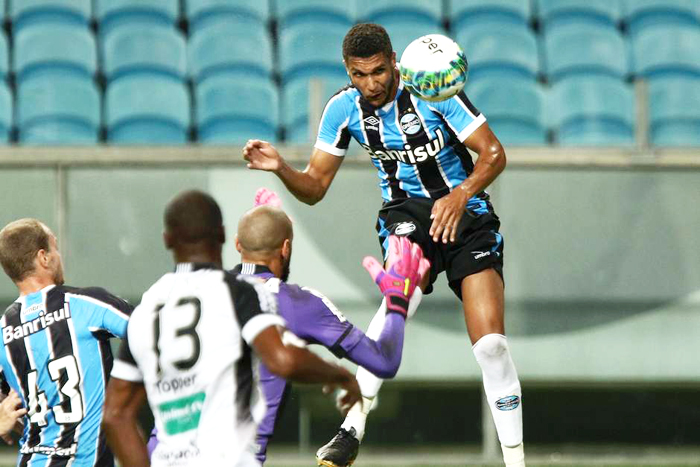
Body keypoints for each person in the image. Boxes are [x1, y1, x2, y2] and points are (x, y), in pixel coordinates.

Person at [243, 23, 525, 467]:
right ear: (348, 71)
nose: (371, 84)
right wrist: (281, 167)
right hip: (406, 215)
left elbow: (493, 154)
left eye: (378, 72)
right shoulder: (343, 110)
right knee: (400, 297)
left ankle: (516, 462)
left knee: (491, 345)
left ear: (394, 62)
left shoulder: (434, 89)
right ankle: (352, 426)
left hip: (465, 213)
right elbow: (315, 187)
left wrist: (460, 194)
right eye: (360, 74)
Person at [101, 190, 363, 467]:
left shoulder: (150, 307)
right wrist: (339, 376)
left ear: (167, 239)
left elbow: (115, 415)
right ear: (226, 237)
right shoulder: (240, 293)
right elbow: (283, 360)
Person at [233, 202, 429, 463]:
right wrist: (396, 303)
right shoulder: (299, 304)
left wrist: (267, 223)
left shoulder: (189, 291)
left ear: (238, 245)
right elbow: (384, 361)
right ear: (286, 248)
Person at [0, 218, 133, 466]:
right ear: (44, 258)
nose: (59, 256)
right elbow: (151, 333)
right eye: (55, 248)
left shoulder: (3, 331)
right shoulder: (88, 304)